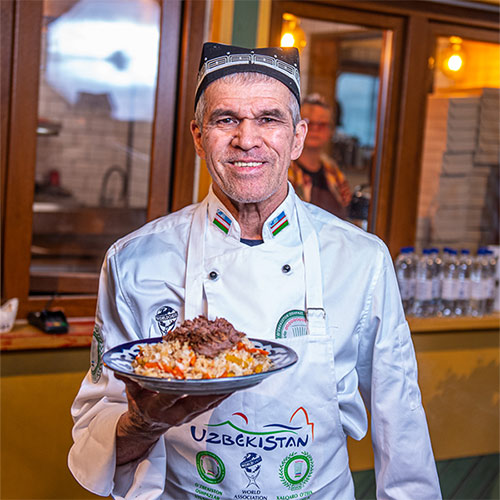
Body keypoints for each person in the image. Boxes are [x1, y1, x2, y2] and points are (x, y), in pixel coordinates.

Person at [68, 42, 441, 499]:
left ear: (298, 138)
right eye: (226, 120)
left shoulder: (361, 258)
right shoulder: (134, 260)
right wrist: (144, 424)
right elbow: (97, 433)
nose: (248, 139)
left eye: (269, 119)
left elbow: (399, 417)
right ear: (198, 136)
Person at [289, 94, 352, 219]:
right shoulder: (284, 170)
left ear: (331, 130)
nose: (315, 129)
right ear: (298, 127)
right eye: (309, 123)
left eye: (322, 124)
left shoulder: (334, 171)